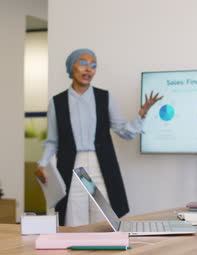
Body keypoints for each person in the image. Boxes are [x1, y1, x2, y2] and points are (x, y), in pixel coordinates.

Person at [35, 48, 163, 226]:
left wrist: (141, 114)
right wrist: (42, 164)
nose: (88, 69)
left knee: (102, 217)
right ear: (72, 67)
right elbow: (52, 141)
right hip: (73, 165)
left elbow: (124, 131)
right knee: (74, 215)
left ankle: (102, 252)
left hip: (99, 164)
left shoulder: (105, 98)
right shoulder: (57, 102)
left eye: (93, 65)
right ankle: (75, 253)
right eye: (83, 63)